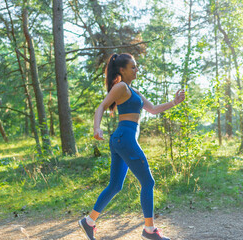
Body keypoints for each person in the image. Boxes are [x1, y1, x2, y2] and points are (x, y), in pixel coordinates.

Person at [78, 53, 185, 240]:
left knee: (115, 185)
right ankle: (149, 230)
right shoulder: (120, 87)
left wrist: (174, 102)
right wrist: (97, 127)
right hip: (124, 138)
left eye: (136, 66)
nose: (136, 69)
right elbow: (101, 106)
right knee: (148, 182)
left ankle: (89, 221)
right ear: (122, 70)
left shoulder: (133, 91)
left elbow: (153, 109)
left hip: (122, 139)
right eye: (133, 67)